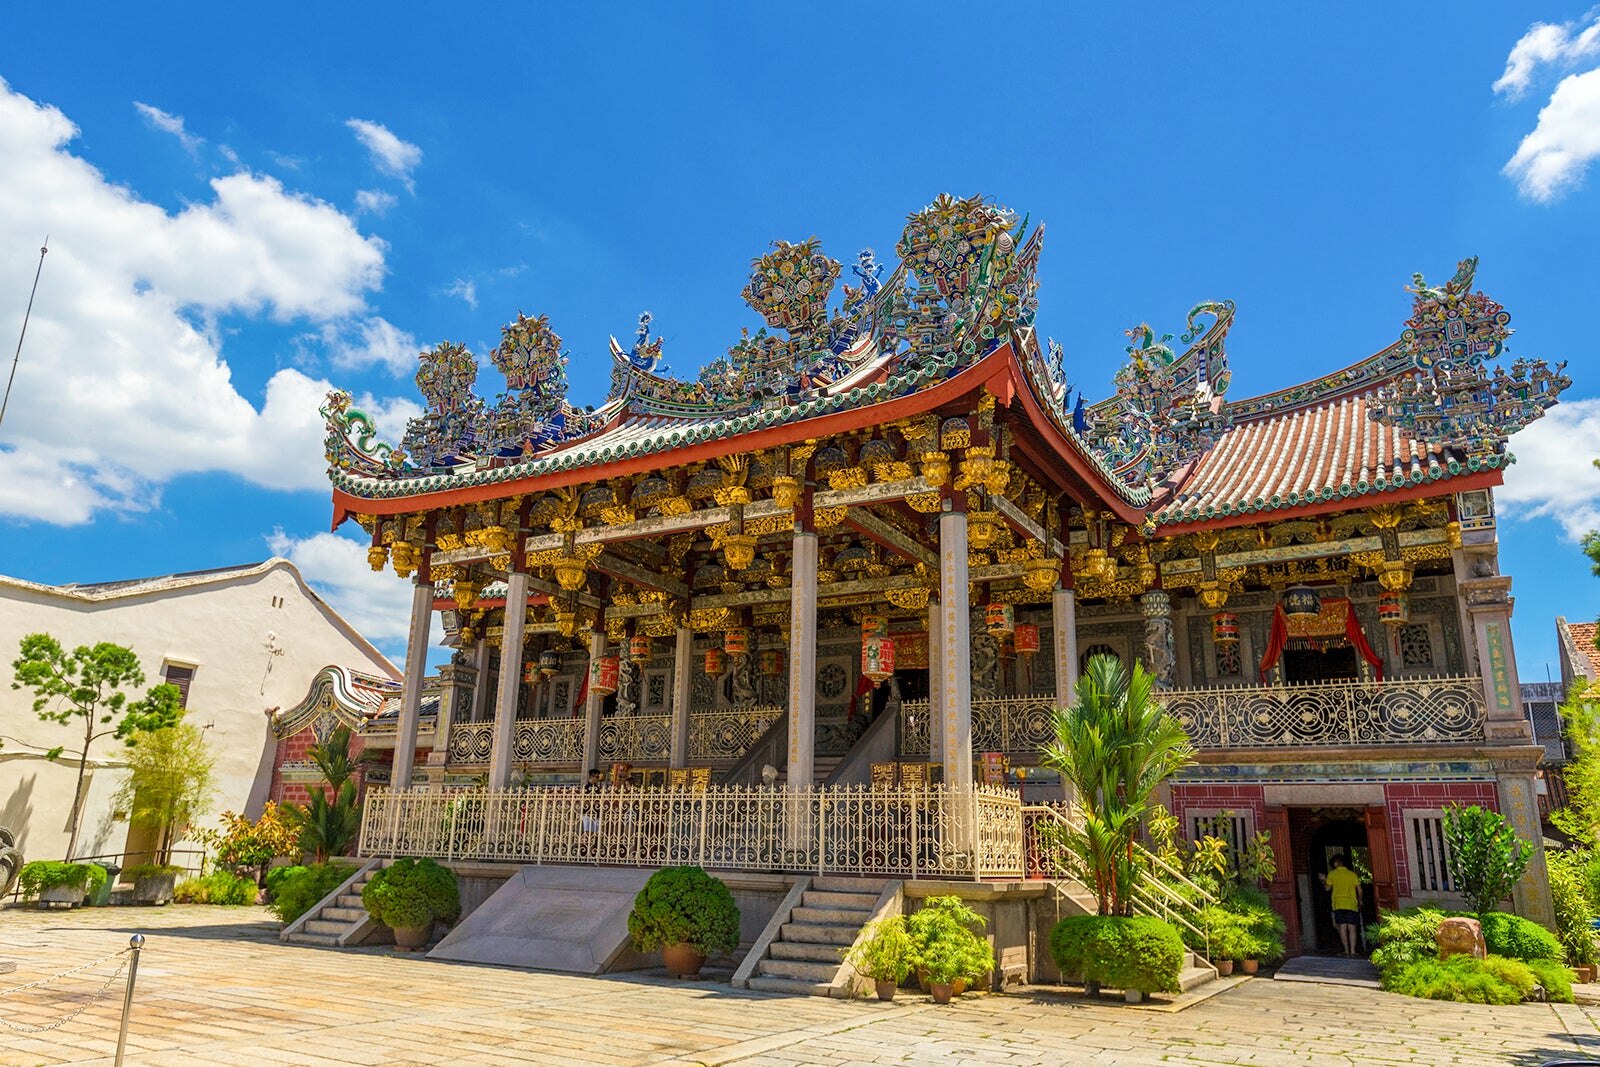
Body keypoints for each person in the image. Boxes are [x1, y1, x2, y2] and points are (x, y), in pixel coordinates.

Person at [1322, 854, 1363, 956]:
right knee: (1352, 928)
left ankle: (1346, 950)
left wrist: (1323, 880)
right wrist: (1360, 900)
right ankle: (1353, 951)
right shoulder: (1352, 874)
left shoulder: (1332, 874)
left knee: (1342, 927)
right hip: (1351, 903)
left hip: (1338, 903)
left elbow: (1327, 888)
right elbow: (1360, 889)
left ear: (1336, 863)